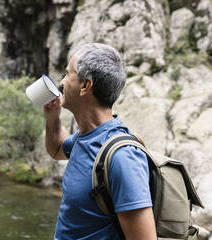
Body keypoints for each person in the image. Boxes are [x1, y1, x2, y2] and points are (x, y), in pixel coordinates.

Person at [43, 43, 157, 240]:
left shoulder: (123, 157)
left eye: (68, 74)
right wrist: (53, 117)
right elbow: (56, 149)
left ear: (85, 86)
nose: (61, 82)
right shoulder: (84, 136)